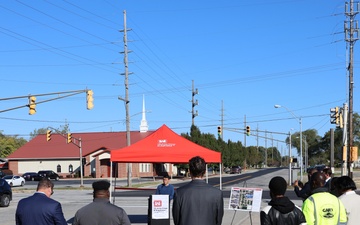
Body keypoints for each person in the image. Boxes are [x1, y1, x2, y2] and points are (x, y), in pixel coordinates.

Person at [172, 156, 223, 225]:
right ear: (205, 171)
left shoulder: (179, 193)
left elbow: (176, 219)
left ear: (189, 171)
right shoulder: (217, 193)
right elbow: (218, 220)